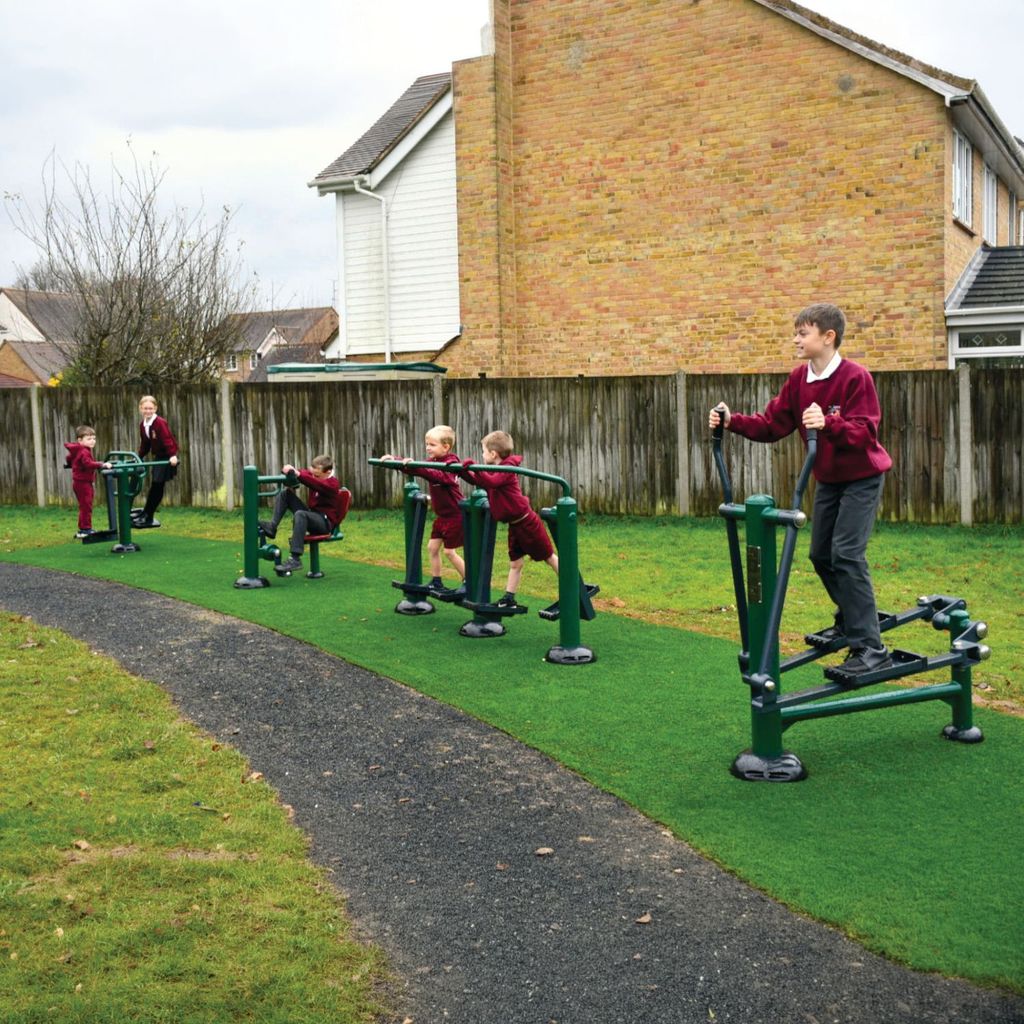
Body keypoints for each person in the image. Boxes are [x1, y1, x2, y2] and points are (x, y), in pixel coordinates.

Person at [708, 302, 893, 675]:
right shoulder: (798, 381)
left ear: (828, 337)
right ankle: (852, 617)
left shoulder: (856, 378)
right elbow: (771, 425)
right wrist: (731, 422)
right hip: (828, 478)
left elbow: (865, 433)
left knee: (846, 554)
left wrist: (828, 424)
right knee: (820, 554)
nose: (795, 339)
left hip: (862, 477)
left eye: (802, 333)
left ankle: (871, 648)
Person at [459, 430, 558, 609]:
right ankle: (509, 598)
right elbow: (481, 481)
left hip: (527, 523)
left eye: (483, 451)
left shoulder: (507, 469)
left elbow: (493, 482)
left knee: (548, 557)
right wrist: (464, 470)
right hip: (515, 525)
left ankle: (572, 586)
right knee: (515, 563)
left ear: (493, 454)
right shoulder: (495, 471)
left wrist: (475, 468)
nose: (482, 455)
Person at [381, 425, 467, 596]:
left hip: (455, 515)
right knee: (432, 548)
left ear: (446, 447)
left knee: (450, 552)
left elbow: (440, 477)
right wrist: (395, 460)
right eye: (427, 444)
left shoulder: (452, 463)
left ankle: (469, 581)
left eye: (432, 445)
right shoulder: (432, 463)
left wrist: (418, 468)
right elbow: (417, 468)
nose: (428, 448)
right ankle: (437, 582)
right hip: (441, 516)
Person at [259, 455, 348, 574]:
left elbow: (314, 483)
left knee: (301, 514)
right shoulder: (316, 476)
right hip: (312, 515)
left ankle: (295, 559)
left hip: (325, 522)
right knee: (285, 494)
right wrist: (290, 470)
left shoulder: (332, 484)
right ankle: (272, 527)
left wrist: (299, 474)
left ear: (328, 472)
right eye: (313, 473)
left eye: (317, 475)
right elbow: (306, 474)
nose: (314, 476)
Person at [135, 395, 179, 527]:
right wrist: (139, 457)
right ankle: (146, 512)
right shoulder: (143, 424)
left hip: (166, 456)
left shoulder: (159, 422)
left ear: (155, 408)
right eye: (145, 408)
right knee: (155, 486)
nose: (148, 411)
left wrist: (172, 455)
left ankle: (148, 514)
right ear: (140, 409)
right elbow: (145, 444)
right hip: (158, 456)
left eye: (150, 408)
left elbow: (167, 439)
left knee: (157, 485)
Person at [64, 425, 111, 539]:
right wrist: (102, 464)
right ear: (80, 440)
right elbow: (88, 464)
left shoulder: (78, 449)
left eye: (94, 438)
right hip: (83, 483)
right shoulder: (84, 451)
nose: (92, 441)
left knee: (84, 506)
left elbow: (69, 458)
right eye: (89, 439)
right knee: (86, 506)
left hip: (79, 482)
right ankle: (86, 530)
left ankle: (83, 529)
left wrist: (73, 464)